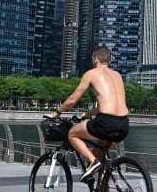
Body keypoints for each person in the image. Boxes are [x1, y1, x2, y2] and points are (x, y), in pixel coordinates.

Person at [50, 45, 129, 183]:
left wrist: (57, 112)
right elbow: (110, 104)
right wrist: (87, 114)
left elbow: (73, 100)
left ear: (96, 59)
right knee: (101, 154)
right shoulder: (117, 75)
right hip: (123, 124)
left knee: (72, 134)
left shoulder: (91, 73)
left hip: (106, 122)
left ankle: (92, 162)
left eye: (92, 58)